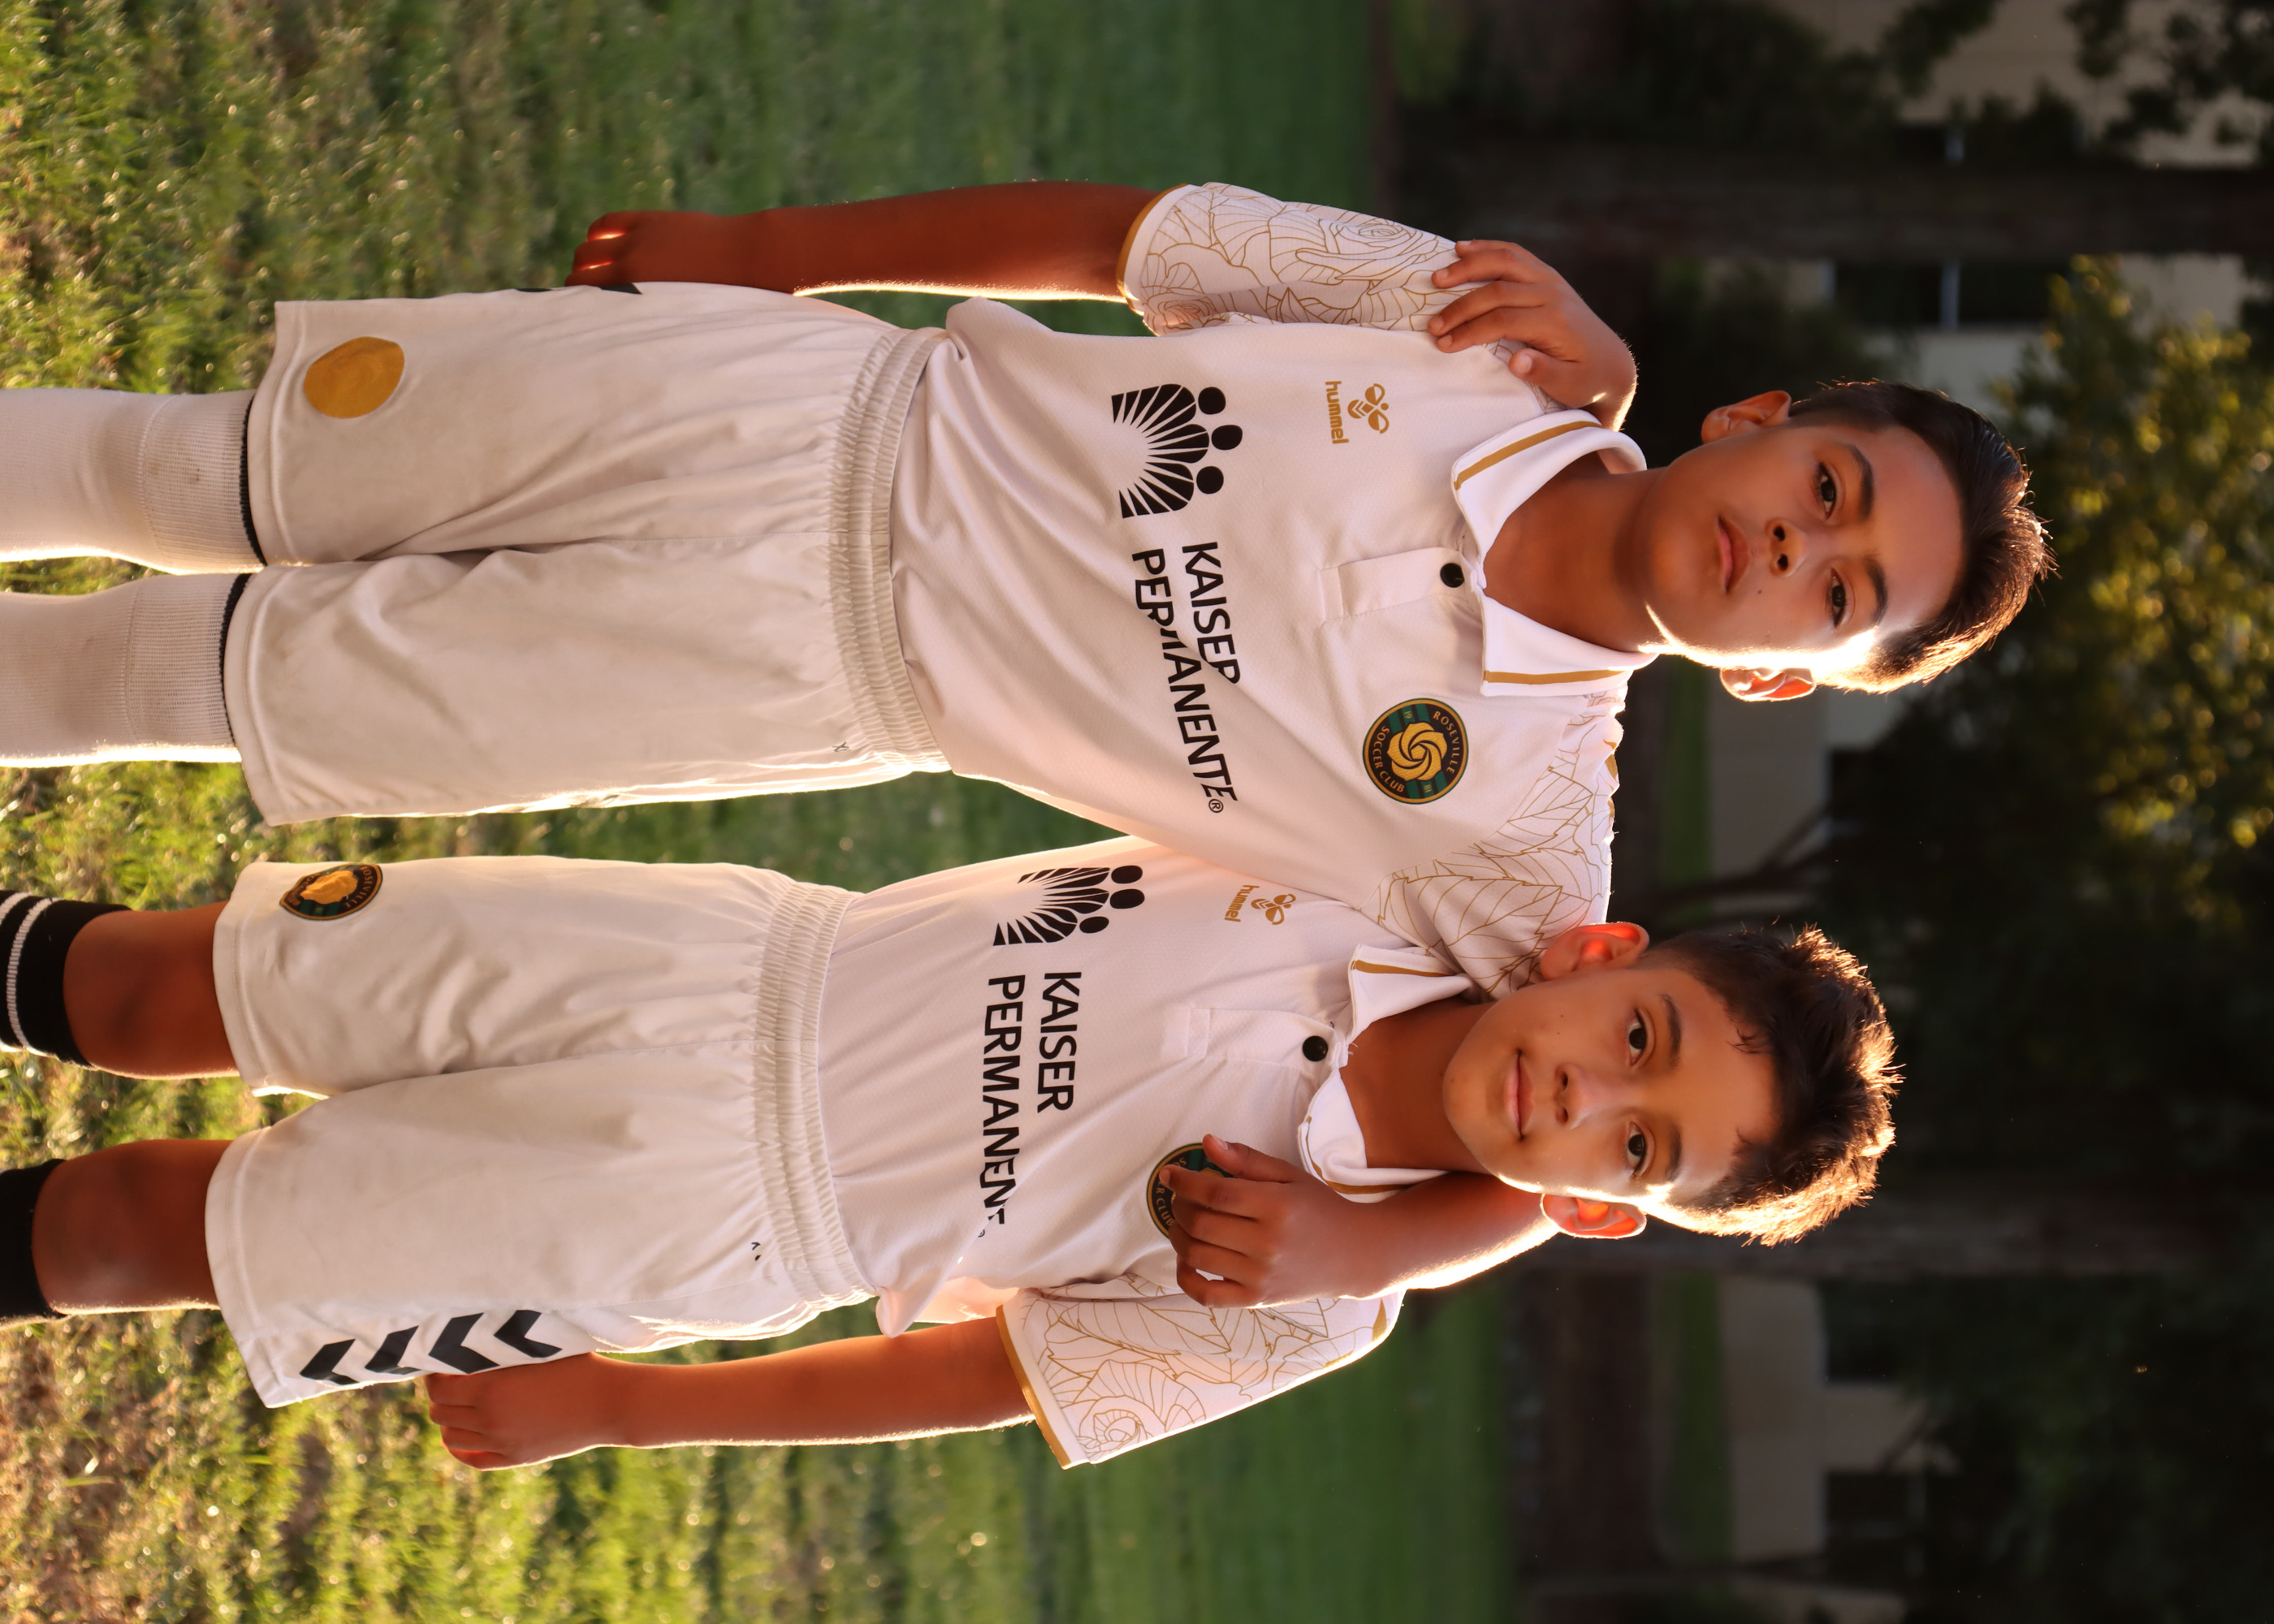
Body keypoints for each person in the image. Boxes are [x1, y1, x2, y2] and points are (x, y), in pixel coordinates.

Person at [0, 181, 2048, 989]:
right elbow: (1122, 236)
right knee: (178, 466)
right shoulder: (1479, 328)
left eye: (1838, 593)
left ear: (1785, 682)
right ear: (1755, 417)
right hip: (792, 406)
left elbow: (1553, 1132)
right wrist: (773, 255)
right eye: (1828, 486)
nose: (1794, 547)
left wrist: (1364, 1241)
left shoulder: (1516, 841)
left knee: (190, 681)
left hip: (791, 674)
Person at [0, 838, 1895, 1470]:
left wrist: (626, 1407)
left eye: (1637, 1147)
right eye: (1635, 1039)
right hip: (723, 954)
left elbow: (987, 1376)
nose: (1585, 1097)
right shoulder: (1408, 874)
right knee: (167, 980)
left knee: (152, 1225)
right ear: (1596, 953)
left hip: (714, 1213)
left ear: (1594, 1208)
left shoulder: (1303, 1298)